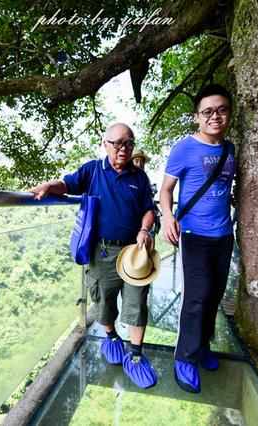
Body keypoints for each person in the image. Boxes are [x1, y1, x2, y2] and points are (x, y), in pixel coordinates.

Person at [28, 123, 158, 389]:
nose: (123, 148)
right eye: (117, 143)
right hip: (103, 251)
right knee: (104, 300)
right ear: (105, 144)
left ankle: (135, 355)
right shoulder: (93, 170)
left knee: (137, 301)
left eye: (129, 143)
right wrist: (48, 185)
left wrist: (145, 229)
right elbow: (67, 184)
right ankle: (111, 337)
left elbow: (148, 209)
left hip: (134, 252)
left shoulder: (139, 177)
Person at [159, 84, 236, 394]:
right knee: (197, 295)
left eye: (221, 110)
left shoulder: (230, 150)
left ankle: (202, 347)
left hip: (223, 235)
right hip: (193, 234)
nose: (214, 116)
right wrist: (167, 217)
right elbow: (165, 190)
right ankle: (185, 358)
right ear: (197, 117)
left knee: (215, 294)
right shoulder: (184, 149)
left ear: (229, 113)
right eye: (208, 111)